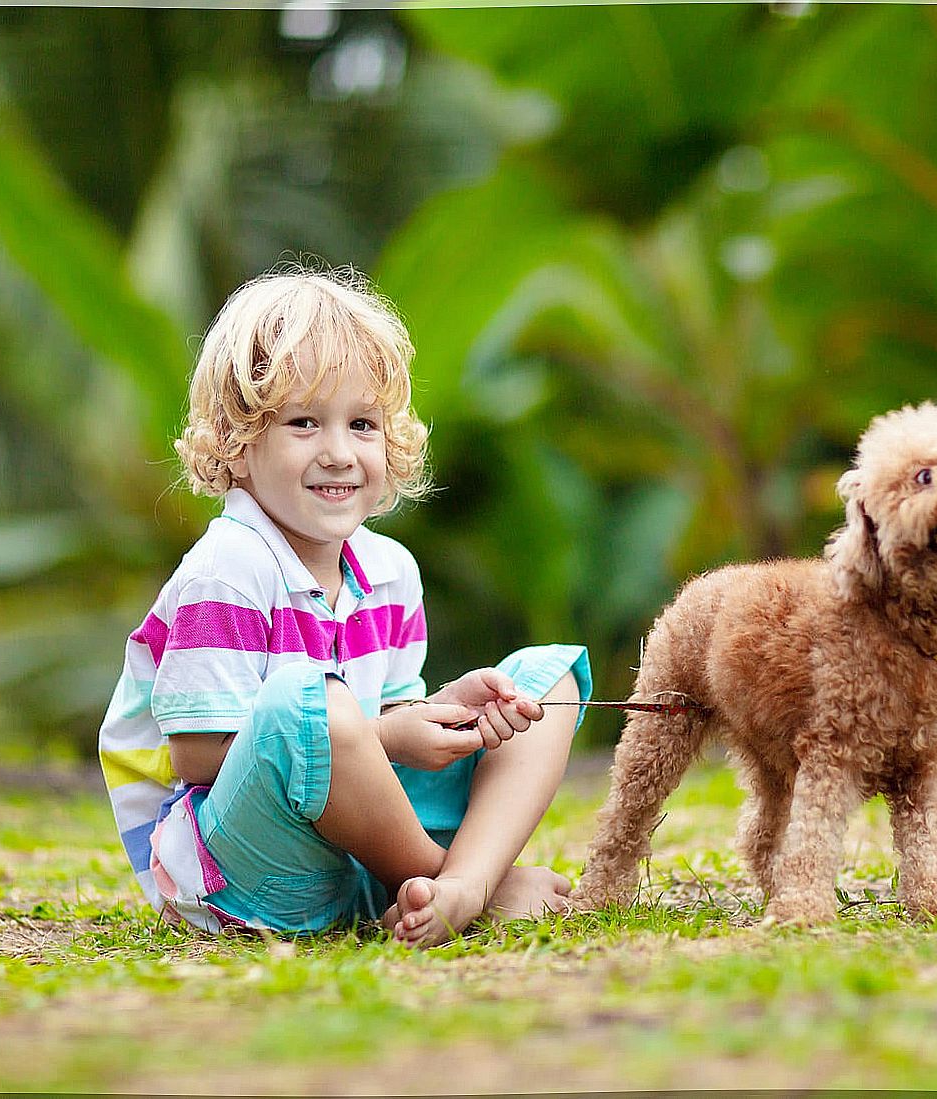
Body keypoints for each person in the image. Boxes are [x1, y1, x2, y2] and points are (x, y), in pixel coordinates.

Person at [98, 268, 590, 946]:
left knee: (549, 677)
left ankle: (457, 885)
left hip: (356, 857)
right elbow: (199, 754)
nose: (338, 452)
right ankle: (465, 883)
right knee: (308, 698)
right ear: (238, 445)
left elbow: (378, 744)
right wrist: (383, 734)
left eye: (361, 423)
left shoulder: (391, 573)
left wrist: (444, 710)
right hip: (243, 869)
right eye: (304, 422)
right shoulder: (229, 569)